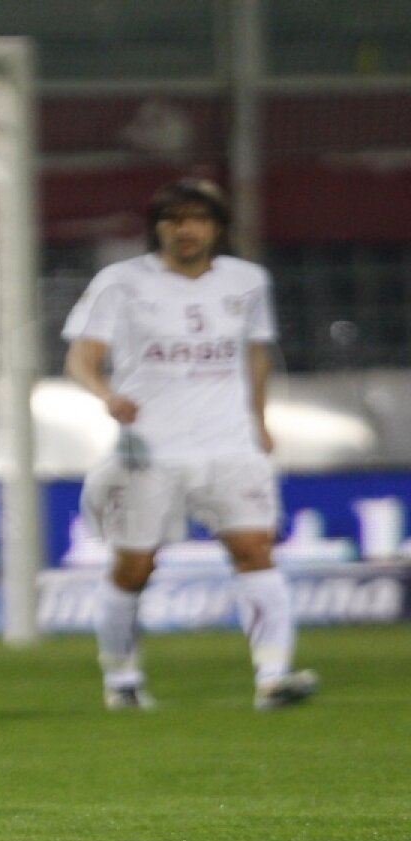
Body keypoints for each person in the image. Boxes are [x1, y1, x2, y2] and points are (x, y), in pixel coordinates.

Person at [62, 177, 318, 712]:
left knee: (254, 550)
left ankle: (273, 676)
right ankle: (122, 679)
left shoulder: (248, 281)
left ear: (217, 228)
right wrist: (106, 395)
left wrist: (260, 421)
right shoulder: (121, 282)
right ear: (158, 227)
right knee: (135, 567)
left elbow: (255, 355)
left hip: (230, 445)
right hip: (148, 451)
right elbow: (82, 357)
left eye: (197, 218)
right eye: (174, 218)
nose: (186, 229)